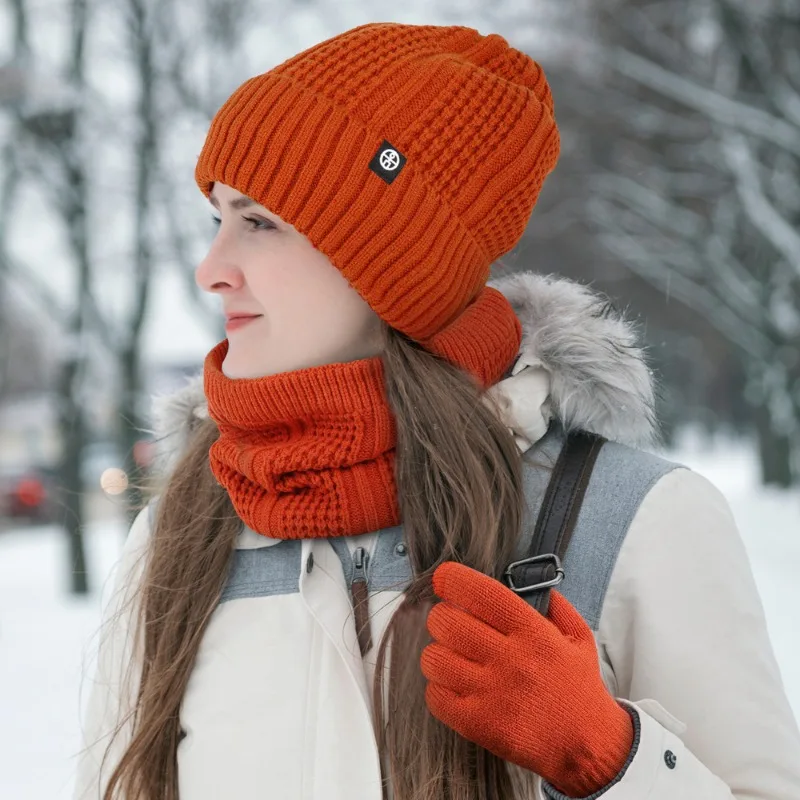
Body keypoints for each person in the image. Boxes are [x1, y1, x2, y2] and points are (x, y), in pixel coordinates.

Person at [73, 21, 800, 800]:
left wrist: (610, 760)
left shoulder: (631, 518)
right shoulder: (184, 530)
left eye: (259, 223)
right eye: (217, 218)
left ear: (392, 264)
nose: (212, 268)